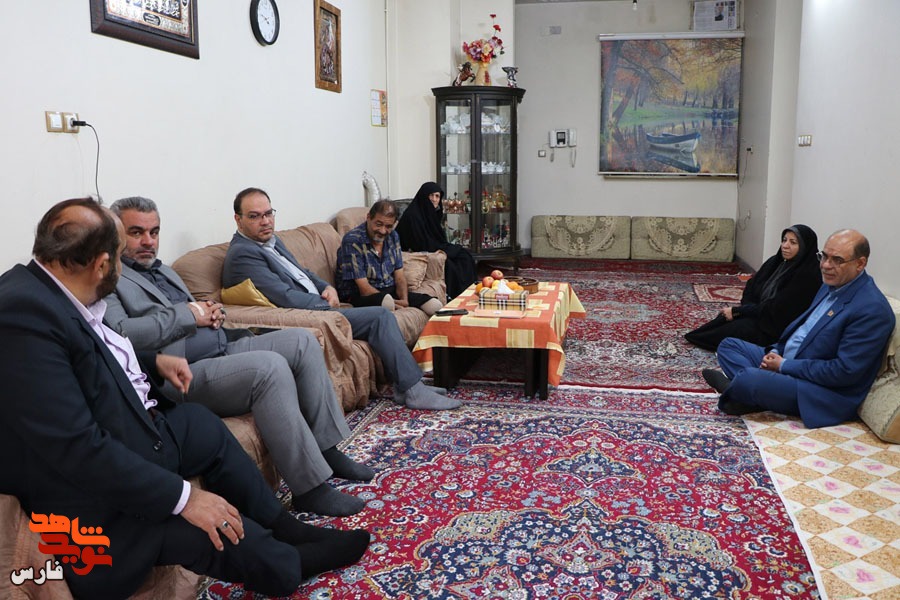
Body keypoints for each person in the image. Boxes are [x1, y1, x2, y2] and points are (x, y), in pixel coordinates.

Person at [0, 198, 369, 599]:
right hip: (93, 486)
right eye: (122, 253)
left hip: (134, 427)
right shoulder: (22, 315)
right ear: (103, 264)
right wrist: (185, 497)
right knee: (201, 524)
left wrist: (153, 362)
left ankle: (284, 528)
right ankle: (287, 564)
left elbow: (88, 355)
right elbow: (75, 447)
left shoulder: (50, 291)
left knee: (200, 425)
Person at [105, 197, 372, 517]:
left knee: (303, 341)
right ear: (116, 235)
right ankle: (309, 488)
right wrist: (189, 314)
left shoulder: (164, 271)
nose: (149, 241)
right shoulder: (111, 279)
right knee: (270, 368)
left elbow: (194, 311)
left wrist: (212, 313)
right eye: (136, 233)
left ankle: (327, 448)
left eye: (155, 232)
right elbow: (120, 333)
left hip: (221, 345)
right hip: (180, 371)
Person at [221, 187, 460, 411]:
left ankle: (407, 386)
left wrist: (326, 286)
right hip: (310, 314)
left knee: (386, 314)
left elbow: (304, 273)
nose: (265, 221)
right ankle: (412, 390)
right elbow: (284, 296)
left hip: (320, 303)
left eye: (268, 213)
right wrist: (324, 303)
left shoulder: (271, 241)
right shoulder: (244, 254)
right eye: (255, 216)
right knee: (380, 317)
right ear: (238, 219)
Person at [702, 229, 896, 429]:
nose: (826, 265)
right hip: (789, 361)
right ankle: (751, 391)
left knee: (749, 378)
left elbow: (843, 372)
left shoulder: (871, 310)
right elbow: (803, 330)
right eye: (824, 256)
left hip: (818, 389)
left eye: (837, 260)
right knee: (729, 346)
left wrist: (784, 366)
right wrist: (777, 350)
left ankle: (740, 388)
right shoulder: (831, 284)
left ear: (860, 263)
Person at [685, 224, 821, 351]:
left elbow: (778, 308)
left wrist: (740, 312)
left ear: (805, 247)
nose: (785, 246)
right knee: (721, 320)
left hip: (775, 327)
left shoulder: (807, 275)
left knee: (731, 332)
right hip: (759, 313)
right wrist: (745, 310)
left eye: (793, 243)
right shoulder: (776, 262)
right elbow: (751, 286)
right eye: (784, 240)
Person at [335, 199, 443, 316]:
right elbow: (364, 288)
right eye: (378, 224)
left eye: (388, 226)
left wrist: (404, 299)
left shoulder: (393, 236)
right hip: (359, 295)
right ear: (368, 217)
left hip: (388, 290)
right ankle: (388, 303)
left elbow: (399, 277)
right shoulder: (352, 241)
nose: (383, 231)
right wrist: (394, 303)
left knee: (434, 305)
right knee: (386, 301)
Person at [395, 181, 477, 298]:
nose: (434, 199)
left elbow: (437, 238)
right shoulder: (412, 216)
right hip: (419, 250)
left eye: (437, 196)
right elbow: (420, 243)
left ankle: (470, 295)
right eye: (431, 195)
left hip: (433, 246)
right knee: (450, 265)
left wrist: (447, 248)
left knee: (465, 256)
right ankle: (454, 298)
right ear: (424, 196)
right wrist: (446, 249)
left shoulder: (432, 213)